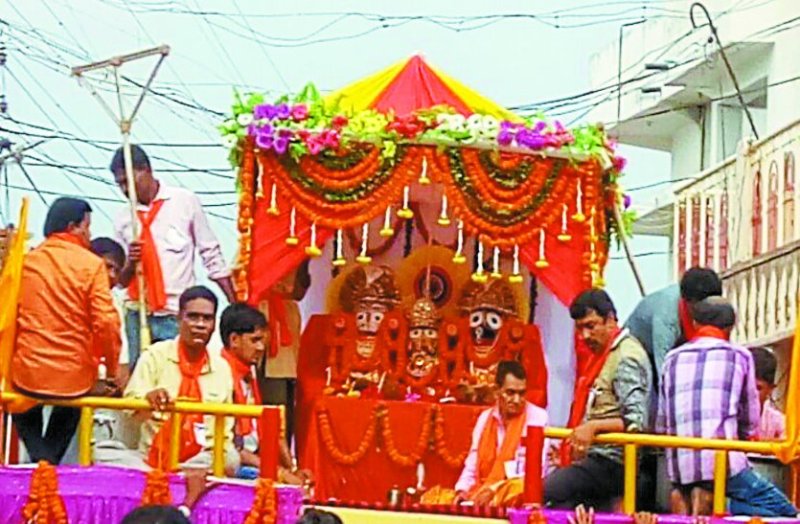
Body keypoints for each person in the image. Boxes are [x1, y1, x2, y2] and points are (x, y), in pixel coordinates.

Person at [657, 297, 796, 517]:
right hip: (722, 466)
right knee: (788, 514)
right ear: (730, 328)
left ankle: (687, 497)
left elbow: (662, 421)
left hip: (679, 471)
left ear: (694, 324)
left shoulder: (671, 359)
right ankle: (719, 504)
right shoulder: (739, 355)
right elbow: (750, 422)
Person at [11, 197, 121, 464]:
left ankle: (40, 467)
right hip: (73, 380)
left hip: (27, 375)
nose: (90, 234)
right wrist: (112, 368)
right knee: (64, 423)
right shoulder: (91, 265)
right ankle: (44, 469)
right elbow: (106, 322)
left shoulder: (26, 261)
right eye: (87, 226)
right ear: (73, 227)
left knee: (24, 413)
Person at [110, 144, 235, 369]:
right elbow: (119, 280)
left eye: (128, 181)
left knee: (180, 373)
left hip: (176, 314)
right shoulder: (123, 218)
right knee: (143, 377)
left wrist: (234, 301)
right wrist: (130, 261)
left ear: (146, 170)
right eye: (120, 184)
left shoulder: (184, 202)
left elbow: (210, 253)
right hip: (138, 314)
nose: (125, 190)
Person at [544, 289, 652, 510]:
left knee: (544, 491)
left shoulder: (626, 357)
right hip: (595, 458)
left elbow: (636, 422)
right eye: (579, 328)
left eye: (591, 326)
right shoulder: (603, 356)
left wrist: (593, 427)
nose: (584, 336)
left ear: (611, 320)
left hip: (614, 463)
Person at [122, 286, 238, 472]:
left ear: (214, 324)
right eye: (192, 317)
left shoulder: (222, 368)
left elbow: (224, 435)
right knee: (102, 451)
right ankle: (178, 475)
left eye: (207, 318)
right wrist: (148, 399)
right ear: (178, 319)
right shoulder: (155, 355)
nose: (200, 324)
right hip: (153, 456)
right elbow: (129, 408)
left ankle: (179, 473)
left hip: (202, 458)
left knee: (231, 457)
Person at [218, 303, 312, 485]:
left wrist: (292, 469)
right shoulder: (221, 376)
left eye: (263, 341)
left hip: (252, 459)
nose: (262, 348)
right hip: (233, 464)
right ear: (234, 339)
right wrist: (280, 474)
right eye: (255, 340)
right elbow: (234, 448)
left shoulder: (249, 371)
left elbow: (271, 431)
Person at [454, 360, 548, 506]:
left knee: (518, 488)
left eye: (522, 393)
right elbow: (472, 465)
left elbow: (535, 473)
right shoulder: (485, 418)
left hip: (516, 493)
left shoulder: (537, 418)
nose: (517, 400)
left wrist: (494, 490)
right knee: (435, 498)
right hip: (481, 492)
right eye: (510, 393)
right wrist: (461, 491)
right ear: (497, 391)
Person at [625, 267, 722, 381]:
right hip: (637, 355)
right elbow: (663, 370)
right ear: (689, 302)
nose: (708, 312)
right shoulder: (667, 316)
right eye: (704, 307)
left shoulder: (713, 309)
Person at [258, 261, 310, 447]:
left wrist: (303, 258)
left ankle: (285, 458)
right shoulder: (257, 240)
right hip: (265, 316)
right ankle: (272, 460)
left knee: (289, 407)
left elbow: (300, 291)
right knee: (273, 402)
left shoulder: (298, 243)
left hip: (288, 317)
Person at [751, 346, 786, 440]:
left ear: (770, 389)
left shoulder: (778, 421)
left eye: (758, 388)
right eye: (746, 387)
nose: (751, 393)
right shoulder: (729, 420)